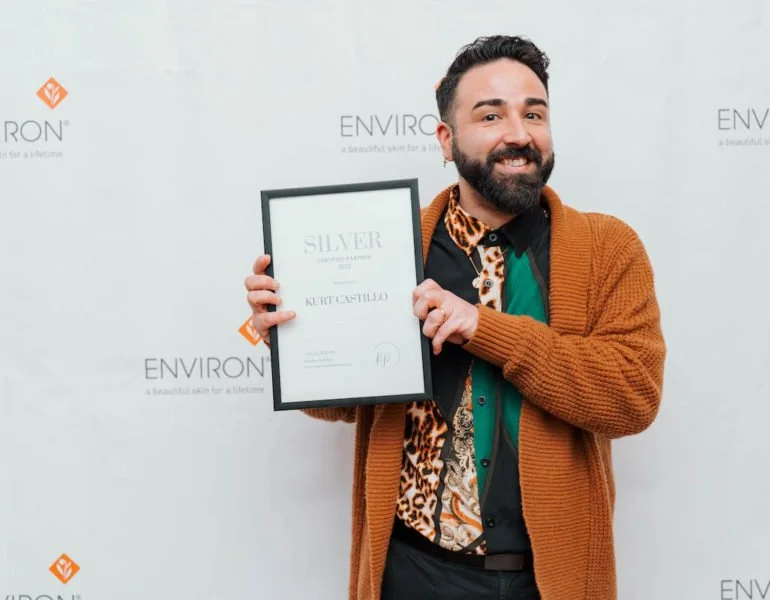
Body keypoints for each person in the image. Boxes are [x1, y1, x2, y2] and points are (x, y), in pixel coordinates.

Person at [244, 34, 666, 600]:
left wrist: (483, 328)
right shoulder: (392, 245)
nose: (518, 134)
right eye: (490, 116)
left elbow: (632, 397)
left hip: (549, 578)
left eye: (533, 113)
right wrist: (290, 339)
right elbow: (344, 403)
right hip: (411, 570)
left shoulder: (608, 247)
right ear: (447, 139)